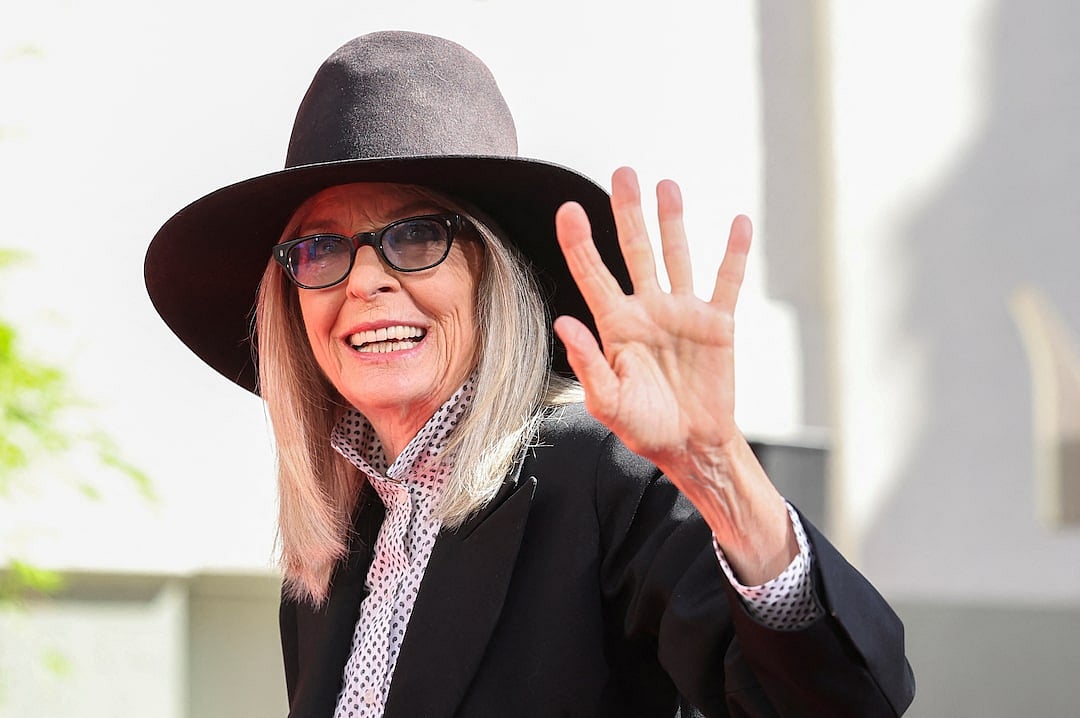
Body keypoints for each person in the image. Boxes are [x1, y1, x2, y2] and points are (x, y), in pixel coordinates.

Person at [145, 31, 914, 718]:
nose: (363, 282)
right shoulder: (335, 546)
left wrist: (719, 471)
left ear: (494, 277)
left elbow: (837, 706)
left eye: (415, 237)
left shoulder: (606, 474)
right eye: (319, 249)